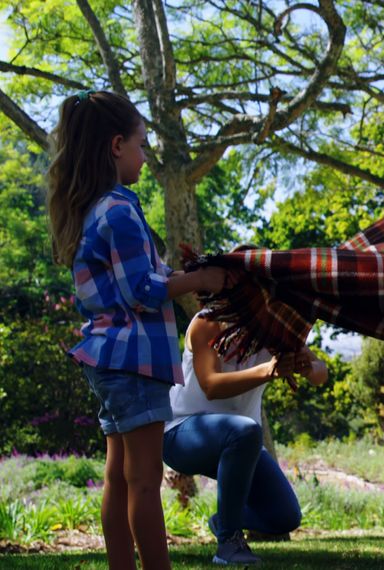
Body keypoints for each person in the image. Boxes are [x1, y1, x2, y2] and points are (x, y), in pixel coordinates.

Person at [48, 90, 228, 570]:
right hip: (134, 360)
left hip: (107, 360)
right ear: (116, 146)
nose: (146, 156)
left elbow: (138, 281)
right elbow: (142, 291)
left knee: (120, 479)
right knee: (146, 479)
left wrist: (180, 274)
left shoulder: (92, 211)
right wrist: (200, 281)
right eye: (142, 144)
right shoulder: (120, 209)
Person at [163, 247, 328, 565]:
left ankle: (222, 522)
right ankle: (228, 544)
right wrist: (269, 370)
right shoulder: (208, 322)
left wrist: (307, 367)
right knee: (246, 430)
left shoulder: (277, 329)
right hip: (182, 434)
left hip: (243, 440)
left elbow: (321, 373)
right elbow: (210, 385)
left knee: (284, 516)